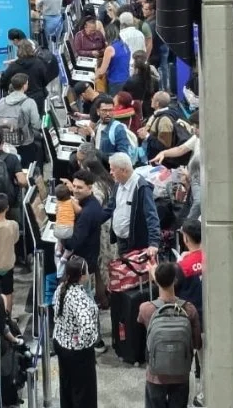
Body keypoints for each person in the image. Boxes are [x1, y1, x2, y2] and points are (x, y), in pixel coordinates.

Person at [138, 261, 203, 408]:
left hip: (155, 375)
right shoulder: (189, 309)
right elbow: (197, 343)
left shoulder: (146, 309)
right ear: (175, 280)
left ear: (155, 281)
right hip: (181, 374)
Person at [52, 255, 99, 408]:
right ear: (82, 276)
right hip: (77, 352)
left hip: (61, 343)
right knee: (84, 393)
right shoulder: (79, 298)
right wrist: (84, 343)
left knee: (66, 386)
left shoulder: (61, 288)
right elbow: (87, 327)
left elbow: (55, 310)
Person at [105, 152, 161, 258]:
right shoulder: (118, 184)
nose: (110, 173)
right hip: (120, 241)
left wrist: (154, 243)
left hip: (135, 244)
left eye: (113, 169)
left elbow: (151, 215)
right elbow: (110, 208)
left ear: (124, 170)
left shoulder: (142, 187)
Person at [0, 72, 43, 165]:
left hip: (5, 141)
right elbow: (36, 125)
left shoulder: (2, 101)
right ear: (24, 86)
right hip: (25, 143)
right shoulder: (30, 102)